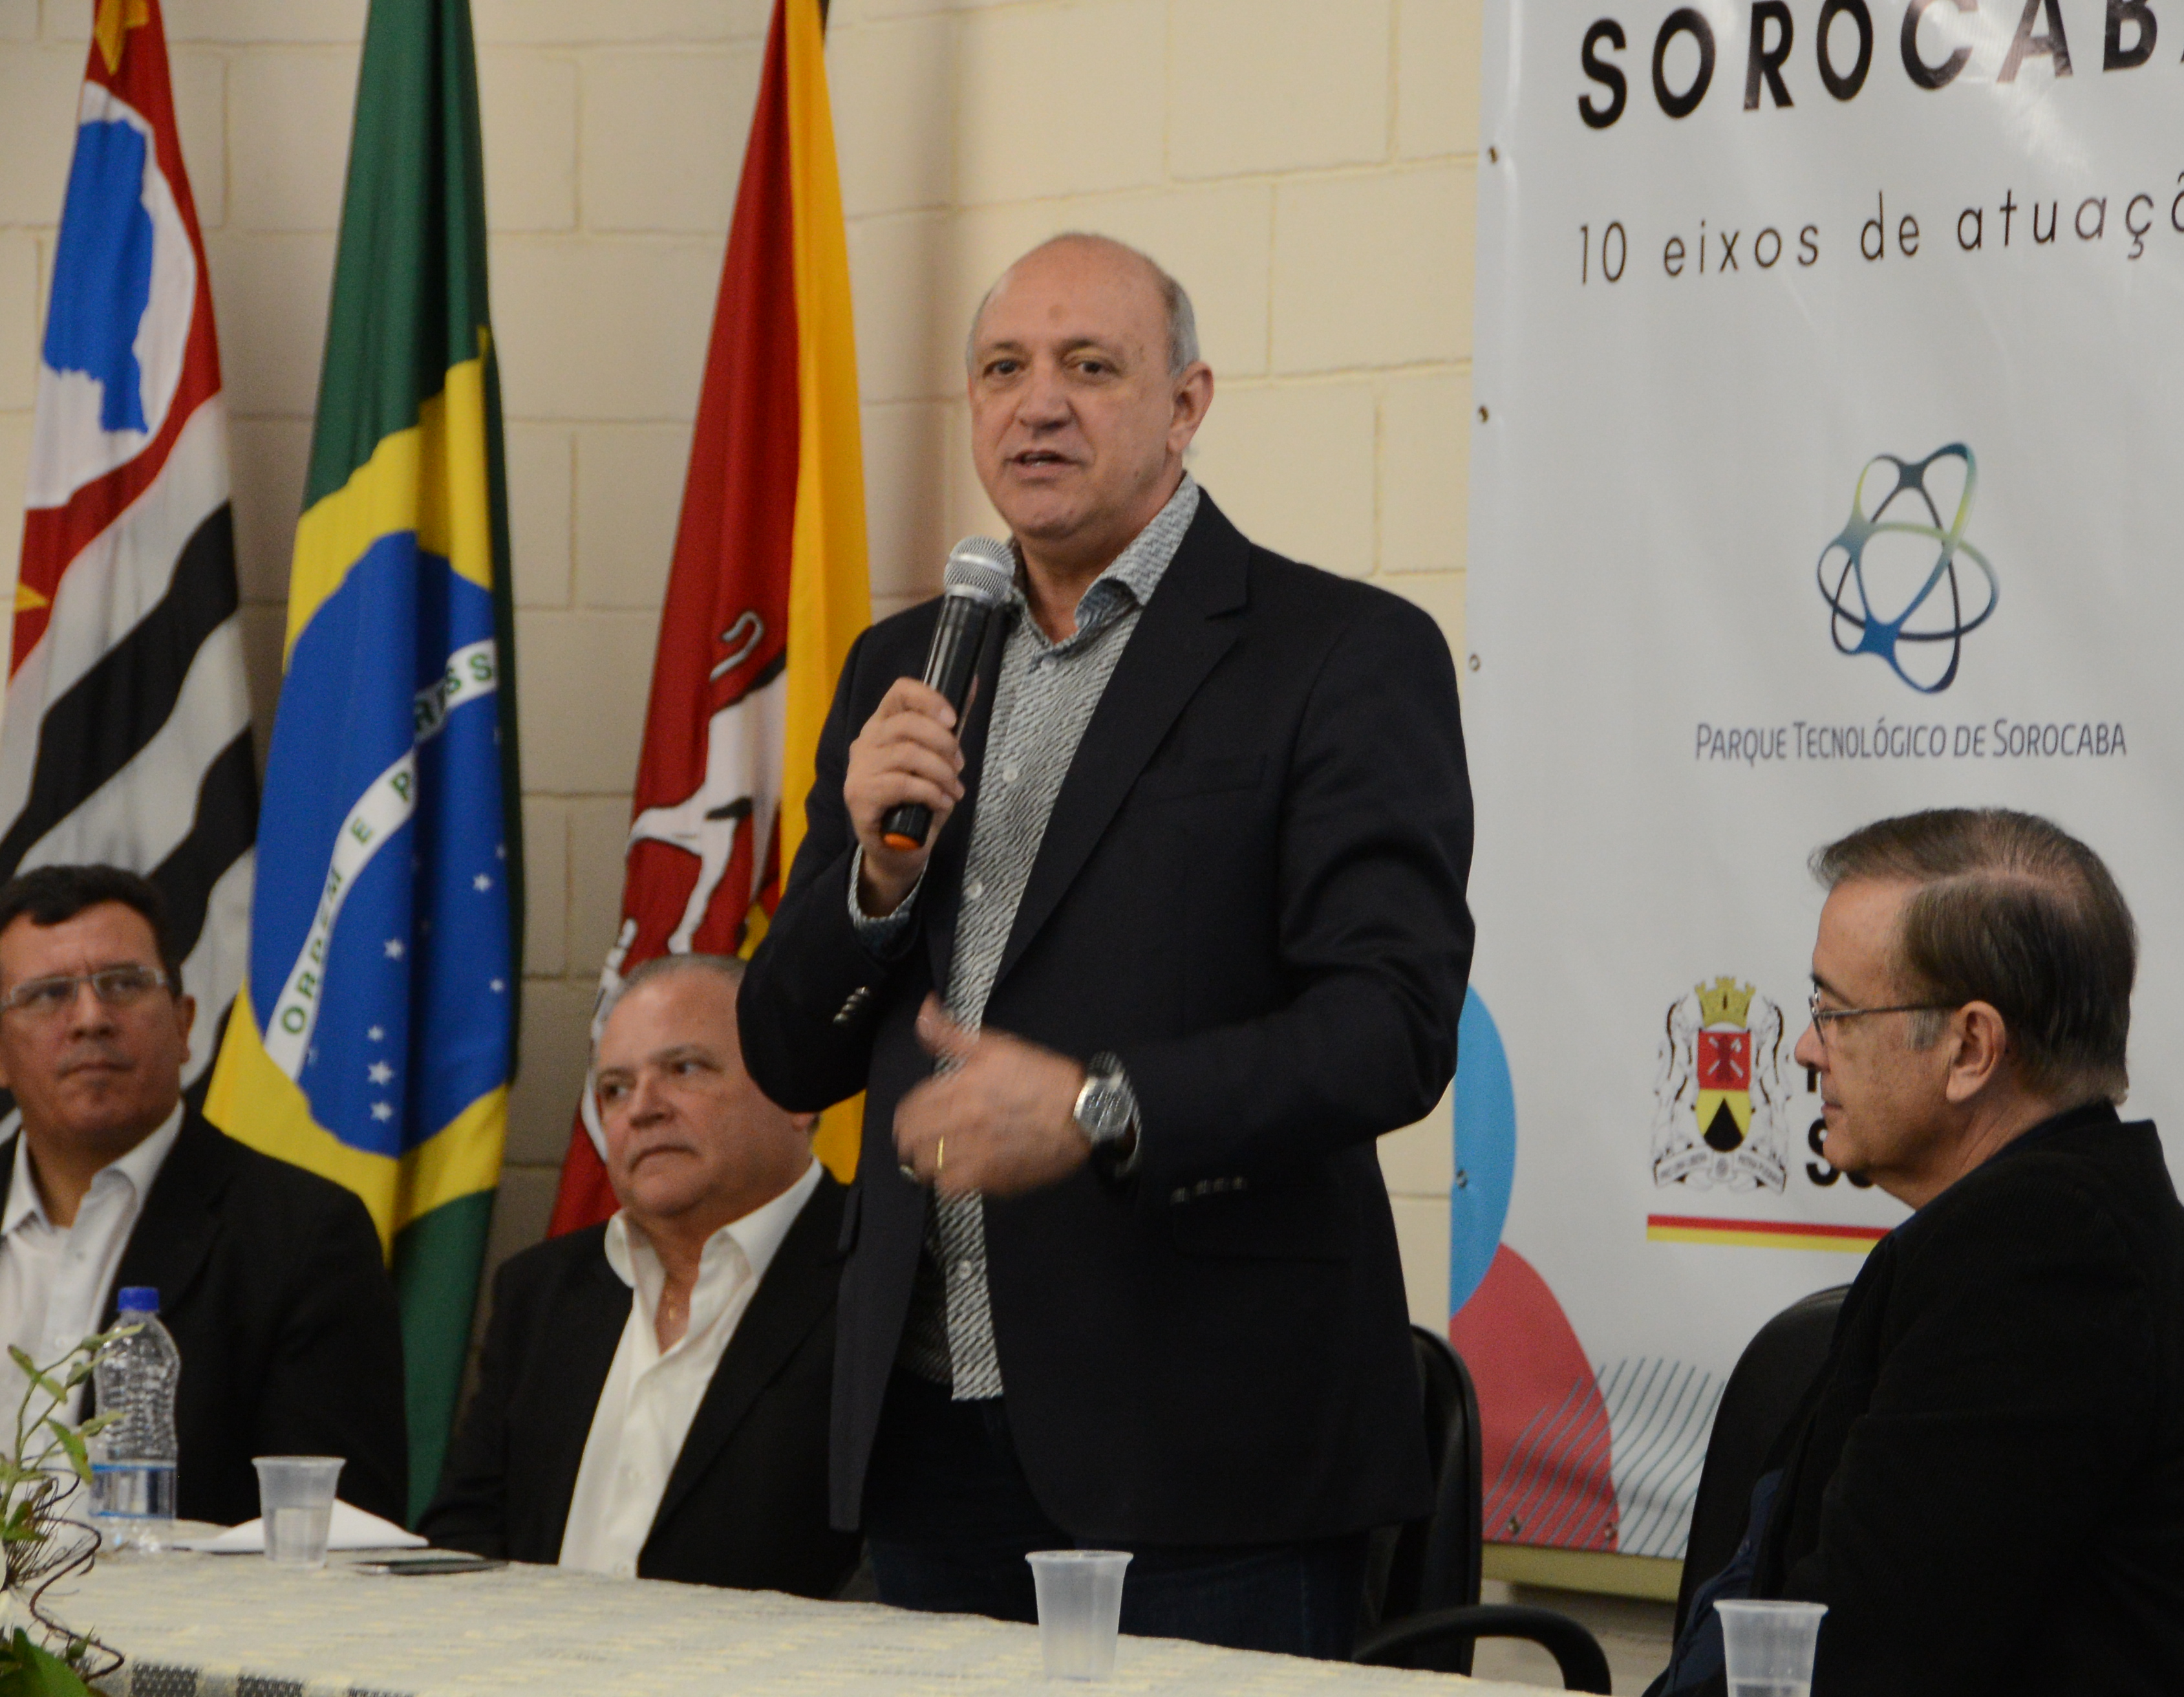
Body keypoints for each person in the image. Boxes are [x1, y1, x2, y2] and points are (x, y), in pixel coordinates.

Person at [738, 232, 1473, 1655]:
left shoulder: (1337, 651)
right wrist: (874, 877)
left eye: (1090, 366)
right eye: (1003, 369)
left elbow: (1390, 1025)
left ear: (1186, 404)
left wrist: (1099, 1105)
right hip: (921, 1421)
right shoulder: (902, 667)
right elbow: (783, 1050)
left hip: (1206, 1447)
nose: (1038, 405)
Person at [1653, 808, 2184, 1697]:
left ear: (1970, 1048)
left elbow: (1866, 1658)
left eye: (1835, 1014)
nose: (1805, 1050)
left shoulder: (2051, 1260)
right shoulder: (2038, 1227)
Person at [424, 955, 859, 1597]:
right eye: (615, 1089)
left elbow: (906, 1571)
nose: (642, 1110)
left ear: (796, 1096)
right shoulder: (542, 1292)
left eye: (685, 1069)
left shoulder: (884, 1281)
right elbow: (462, 1540)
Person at [0, 864, 405, 1525]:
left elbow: (336, 1533)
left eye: (124, 984)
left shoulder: (304, 1236)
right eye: (47, 995)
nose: (91, 1018)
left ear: (185, 1025)